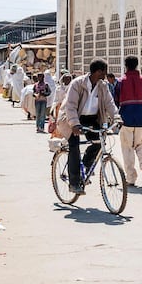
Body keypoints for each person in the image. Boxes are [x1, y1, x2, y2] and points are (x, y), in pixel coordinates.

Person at [56, 59, 120, 195]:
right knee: (74, 145)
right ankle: (74, 182)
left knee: (98, 142)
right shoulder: (77, 84)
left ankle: (84, 168)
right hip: (72, 118)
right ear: (98, 71)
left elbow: (110, 104)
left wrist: (117, 118)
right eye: (104, 71)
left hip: (91, 118)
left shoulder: (103, 86)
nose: (105, 74)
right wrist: (74, 124)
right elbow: (70, 106)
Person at [113, 56, 142, 186]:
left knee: (127, 149)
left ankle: (131, 178)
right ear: (137, 65)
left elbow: (114, 101)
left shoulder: (120, 82)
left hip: (126, 119)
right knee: (141, 145)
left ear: (125, 65)